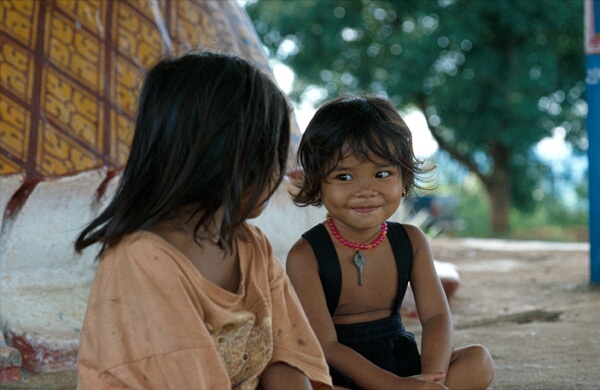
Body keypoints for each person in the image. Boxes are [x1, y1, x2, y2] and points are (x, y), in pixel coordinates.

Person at [74, 51, 332, 390]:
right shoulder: (143, 261)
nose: (281, 173)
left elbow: (287, 358)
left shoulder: (251, 246)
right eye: (275, 156)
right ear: (241, 163)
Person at [286, 95, 495, 390]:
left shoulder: (411, 241)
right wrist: (394, 386)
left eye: (382, 174)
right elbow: (327, 345)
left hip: (401, 363)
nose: (365, 190)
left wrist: (432, 379)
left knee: (479, 361)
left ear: (404, 178)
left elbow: (436, 317)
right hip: (339, 372)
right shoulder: (306, 255)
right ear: (317, 182)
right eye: (344, 176)